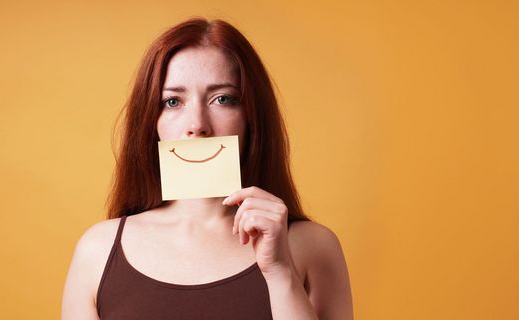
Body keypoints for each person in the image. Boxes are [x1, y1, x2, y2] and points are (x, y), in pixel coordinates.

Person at [61, 17, 353, 320]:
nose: (197, 125)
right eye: (173, 101)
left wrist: (280, 273)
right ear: (151, 120)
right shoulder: (98, 250)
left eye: (222, 99)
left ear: (252, 116)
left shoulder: (315, 247)